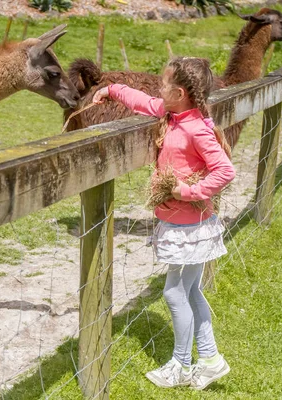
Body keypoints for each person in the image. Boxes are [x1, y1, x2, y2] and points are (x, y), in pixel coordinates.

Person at [93, 56, 235, 389]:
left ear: (181, 92)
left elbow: (225, 170)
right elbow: (142, 101)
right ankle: (211, 359)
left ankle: (181, 366)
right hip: (187, 223)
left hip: (189, 224)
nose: (159, 86)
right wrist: (111, 89)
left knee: (174, 293)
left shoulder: (197, 128)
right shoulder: (172, 114)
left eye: (165, 82)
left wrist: (189, 191)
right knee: (191, 292)